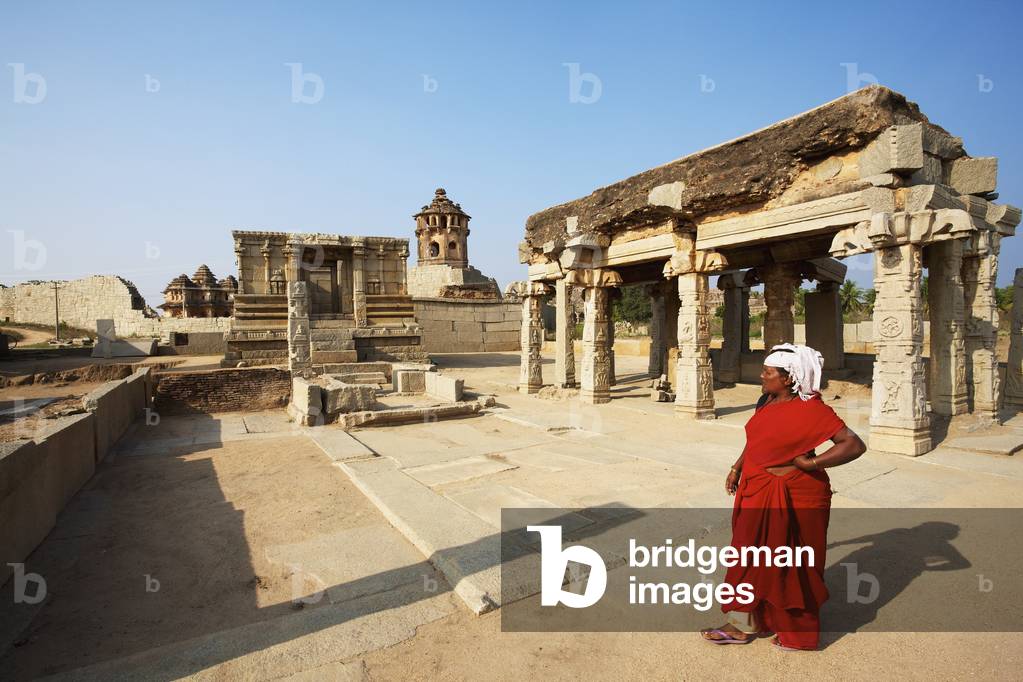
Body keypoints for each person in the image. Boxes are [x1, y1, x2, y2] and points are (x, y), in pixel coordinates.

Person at [700, 343, 866, 651]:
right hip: (757, 487)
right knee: (747, 557)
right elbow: (757, 439)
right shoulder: (766, 400)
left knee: (792, 565)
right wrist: (737, 467)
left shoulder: (813, 410)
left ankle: (796, 633)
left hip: (793, 494)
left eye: (768, 372)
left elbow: (853, 445)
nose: (761, 375)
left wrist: (813, 463)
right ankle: (742, 623)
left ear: (788, 378)